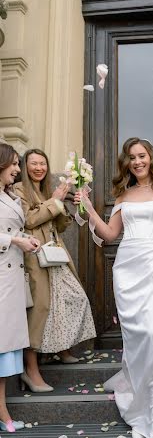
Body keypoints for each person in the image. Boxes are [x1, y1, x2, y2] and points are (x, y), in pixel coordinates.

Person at [74, 137, 153, 438]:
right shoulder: (123, 194)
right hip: (128, 269)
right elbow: (110, 235)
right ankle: (140, 412)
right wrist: (88, 208)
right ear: (127, 163)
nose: (137, 161)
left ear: (151, 158)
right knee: (137, 342)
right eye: (132, 157)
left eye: (142, 155)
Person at [14, 149, 96, 392]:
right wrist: (55, 201)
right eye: (33, 164)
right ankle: (31, 370)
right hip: (35, 256)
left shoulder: (46, 190)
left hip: (55, 253)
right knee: (40, 308)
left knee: (71, 297)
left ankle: (62, 348)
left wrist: (66, 205)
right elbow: (28, 221)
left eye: (42, 163)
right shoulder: (19, 190)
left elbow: (58, 225)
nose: (39, 168)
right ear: (24, 167)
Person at [0, 143, 41, 431]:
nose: (18, 169)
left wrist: (26, 239)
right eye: (13, 164)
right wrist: (15, 241)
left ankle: (2, 410)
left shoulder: (10, 196)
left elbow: (13, 229)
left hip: (12, 278)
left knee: (4, 352)